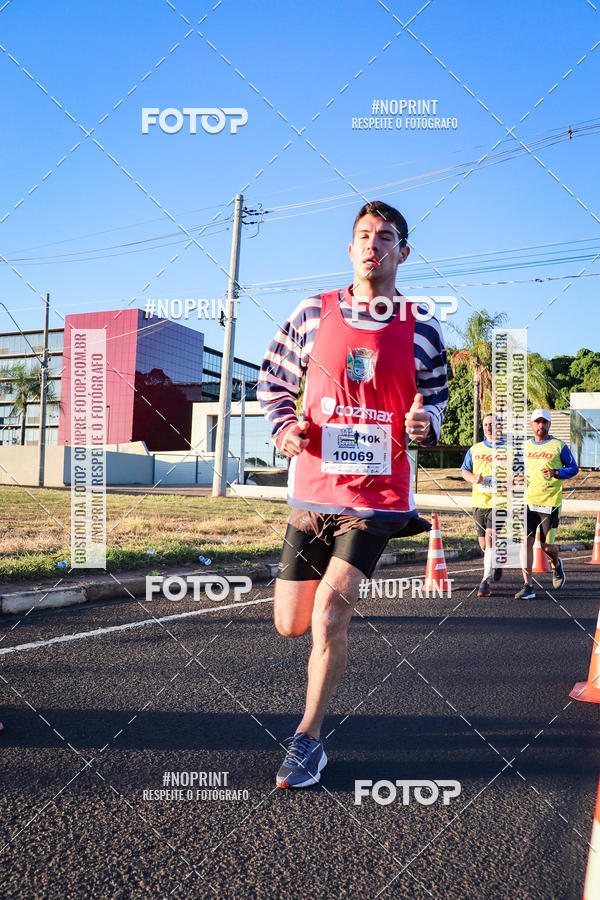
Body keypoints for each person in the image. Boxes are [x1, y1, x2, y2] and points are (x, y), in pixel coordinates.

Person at [257, 200, 448, 788]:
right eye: (363, 235)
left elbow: (435, 400)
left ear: (402, 253)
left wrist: (426, 425)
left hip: (376, 499)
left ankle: (307, 740)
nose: (373, 244)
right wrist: (285, 427)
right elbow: (273, 379)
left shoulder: (423, 327)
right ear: (349, 249)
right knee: (291, 622)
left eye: (385, 236)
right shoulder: (312, 313)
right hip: (313, 490)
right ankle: (311, 721)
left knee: (331, 614)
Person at [515, 408, 579, 600]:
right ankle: (528, 586)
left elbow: (573, 469)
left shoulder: (559, 446)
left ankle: (556, 564)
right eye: (537, 422)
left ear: (549, 424)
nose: (540, 425)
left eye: (544, 422)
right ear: (531, 424)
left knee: (546, 547)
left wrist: (556, 473)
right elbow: (519, 469)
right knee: (526, 542)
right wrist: (518, 477)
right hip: (529, 502)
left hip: (550, 504)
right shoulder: (525, 446)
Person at [461, 412, 505, 597]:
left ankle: (485, 581)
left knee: (489, 537)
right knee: (485, 545)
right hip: (479, 502)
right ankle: (497, 558)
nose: (488, 427)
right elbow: (464, 470)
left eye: (492, 424)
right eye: (486, 424)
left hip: (501, 502)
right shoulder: (475, 449)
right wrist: (473, 478)